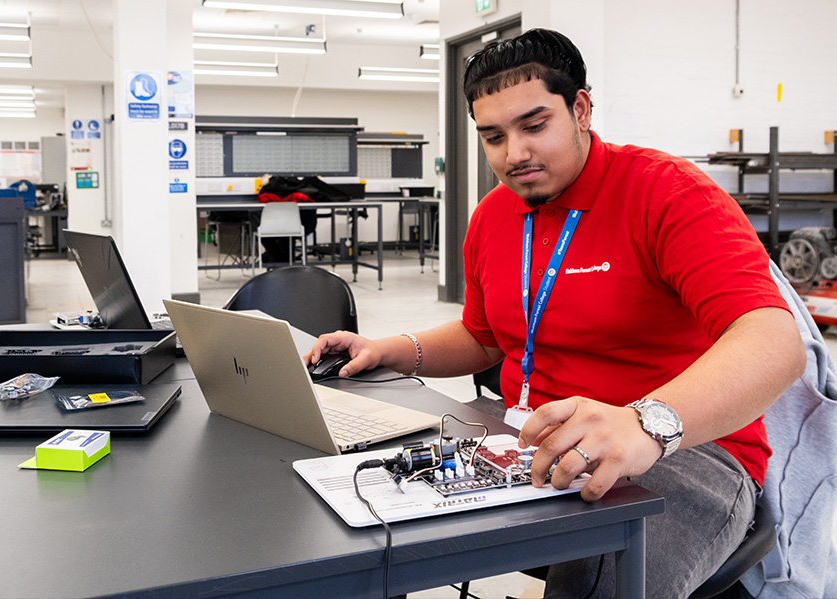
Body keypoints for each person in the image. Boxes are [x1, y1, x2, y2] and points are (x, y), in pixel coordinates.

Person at [304, 28, 806, 598]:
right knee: (365, 511)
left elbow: (774, 341)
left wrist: (645, 423)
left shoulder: (668, 194)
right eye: (493, 137)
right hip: (535, 437)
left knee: (601, 576)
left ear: (581, 109)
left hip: (685, 447)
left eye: (534, 126)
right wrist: (389, 348)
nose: (514, 153)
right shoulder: (494, 216)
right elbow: (484, 337)